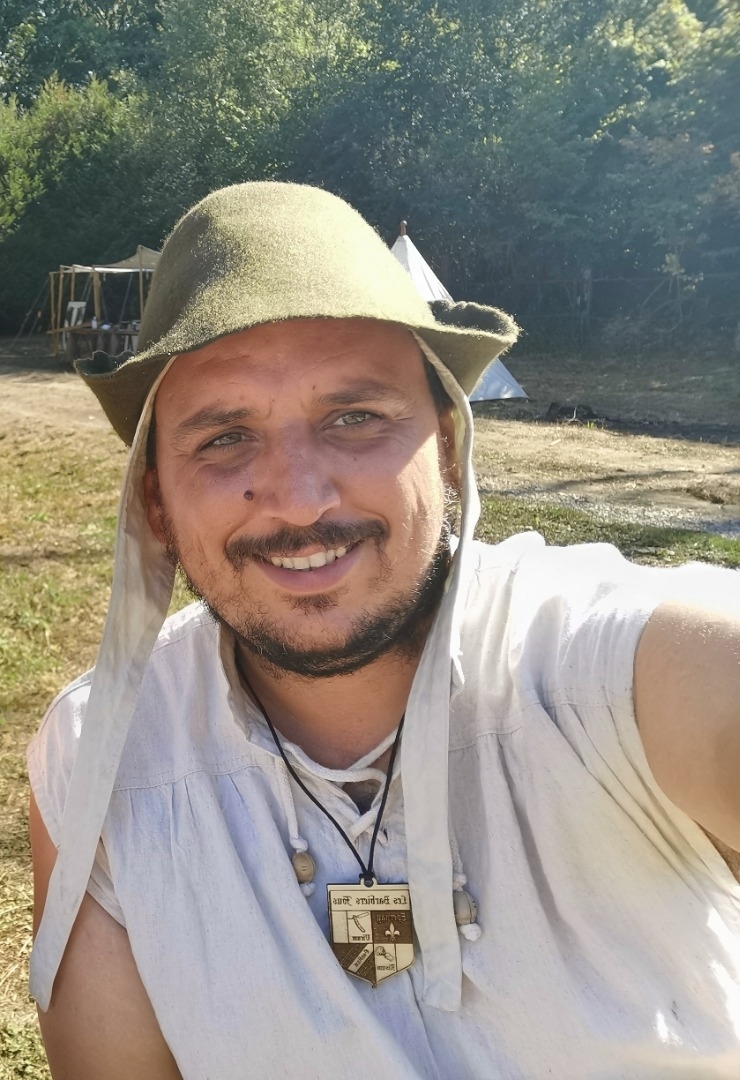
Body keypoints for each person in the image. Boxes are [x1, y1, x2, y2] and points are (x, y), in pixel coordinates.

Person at [28, 182, 740, 1080]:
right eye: (224, 438)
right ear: (156, 501)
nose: (299, 499)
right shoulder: (103, 761)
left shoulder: (607, 672)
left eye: (354, 418)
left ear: (446, 444)